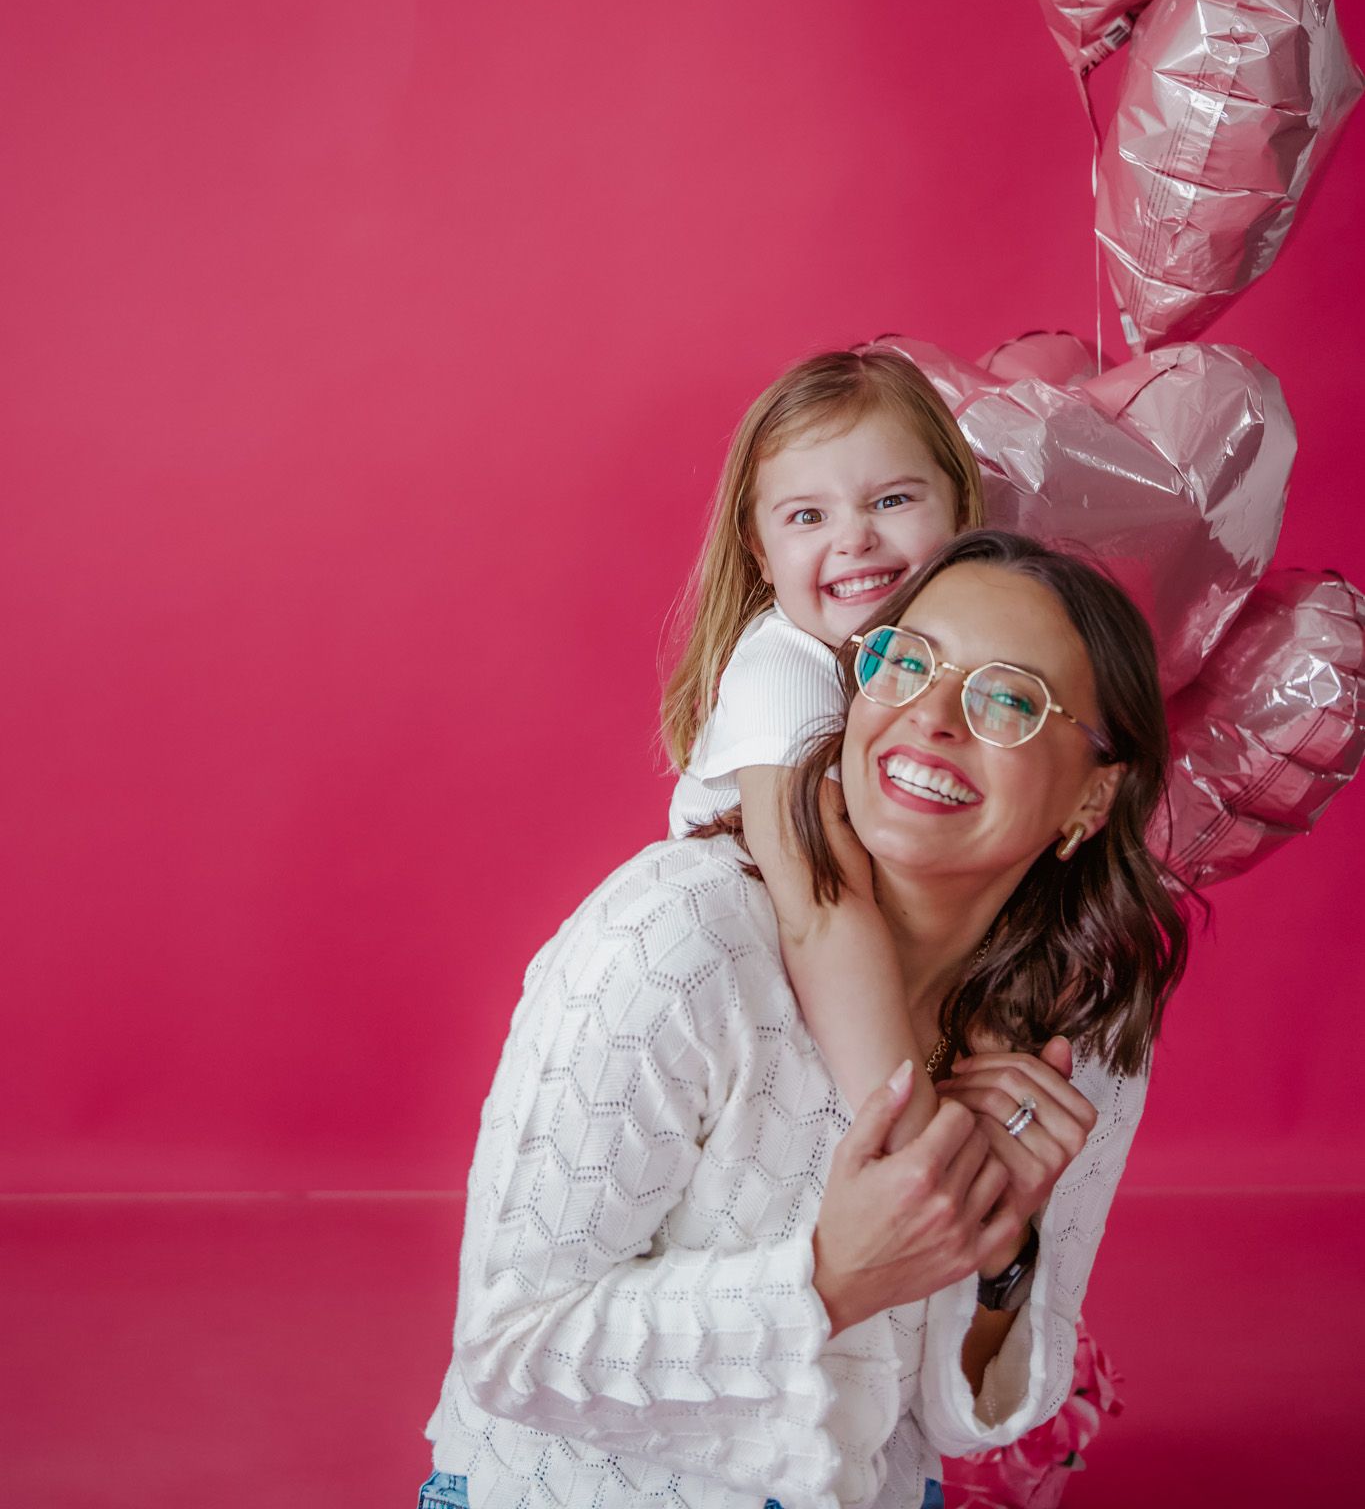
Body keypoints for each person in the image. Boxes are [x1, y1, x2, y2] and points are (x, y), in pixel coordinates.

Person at [420, 529, 1191, 1509]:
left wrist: (1004, 1253)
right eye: (906, 661)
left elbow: (958, 1423)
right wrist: (831, 1278)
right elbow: (509, 1348)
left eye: (1007, 699)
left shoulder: (1082, 1033)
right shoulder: (678, 937)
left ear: (1093, 794)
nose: (931, 716)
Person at [661, 347, 986, 1146]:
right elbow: (819, 912)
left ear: (960, 505)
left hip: (853, 988)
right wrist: (913, 1138)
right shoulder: (786, 674)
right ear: (759, 552)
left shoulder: (945, 655)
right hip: (753, 999)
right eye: (807, 517)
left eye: (892, 499)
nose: (855, 538)